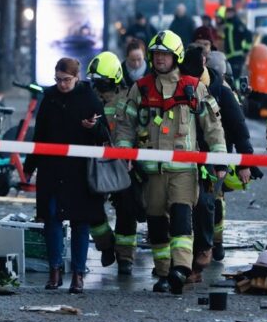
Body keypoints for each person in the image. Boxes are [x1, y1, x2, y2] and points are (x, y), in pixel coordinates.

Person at [115, 30, 227, 294]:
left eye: (165, 54)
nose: (160, 59)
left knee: (181, 218)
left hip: (183, 170)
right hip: (152, 171)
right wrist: (124, 154)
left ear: (176, 56)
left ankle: (181, 268)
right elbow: (125, 126)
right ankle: (164, 273)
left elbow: (213, 126)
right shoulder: (141, 88)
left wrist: (220, 160)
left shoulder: (193, 87)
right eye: (156, 54)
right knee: (156, 223)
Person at [24, 57, 108, 294]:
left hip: (80, 171)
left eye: (66, 80)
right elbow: (39, 134)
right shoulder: (49, 97)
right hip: (51, 169)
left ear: (76, 77)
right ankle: (55, 271)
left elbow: (105, 134)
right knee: (52, 219)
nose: (62, 84)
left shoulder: (89, 98)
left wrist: (93, 127)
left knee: (80, 222)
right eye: (58, 79)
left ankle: (78, 275)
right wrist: (30, 165)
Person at [179, 44, 259, 279]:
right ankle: (180, 262)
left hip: (213, 159)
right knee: (182, 208)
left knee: (205, 204)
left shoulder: (221, 91)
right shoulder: (178, 86)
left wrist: (246, 162)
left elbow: (238, 127)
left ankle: (205, 250)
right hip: (182, 156)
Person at [85, 51, 144, 275]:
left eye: (103, 82)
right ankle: (106, 244)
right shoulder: (89, 98)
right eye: (96, 82)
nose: (99, 87)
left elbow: (133, 128)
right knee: (91, 209)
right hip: (94, 161)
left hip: (122, 162)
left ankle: (125, 256)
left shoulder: (128, 98)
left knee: (127, 208)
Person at [222, 7, 252, 80]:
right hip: (229, 56)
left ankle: (237, 90)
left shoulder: (237, 23)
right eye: (227, 13)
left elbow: (248, 35)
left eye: (230, 12)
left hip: (237, 55)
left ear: (234, 13)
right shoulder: (227, 24)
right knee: (230, 76)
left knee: (236, 77)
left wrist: (246, 50)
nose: (228, 14)